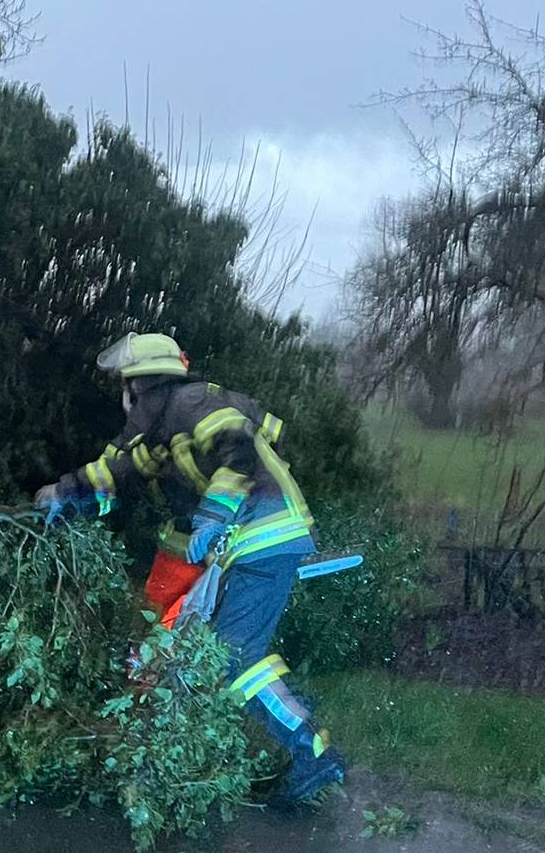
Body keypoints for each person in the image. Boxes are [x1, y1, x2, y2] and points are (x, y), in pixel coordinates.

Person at [34, 332, 346, 808]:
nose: (125, 400)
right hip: (246, 546)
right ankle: (290, 746)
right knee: (219, 653)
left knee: (238, 659)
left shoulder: (192, 403)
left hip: (265, 538)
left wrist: (215, 513)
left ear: (142, 386)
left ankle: (314, 750)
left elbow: (237, 451)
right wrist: (64, 495)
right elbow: (116, 472)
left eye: (127, 388)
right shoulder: (161, 429)